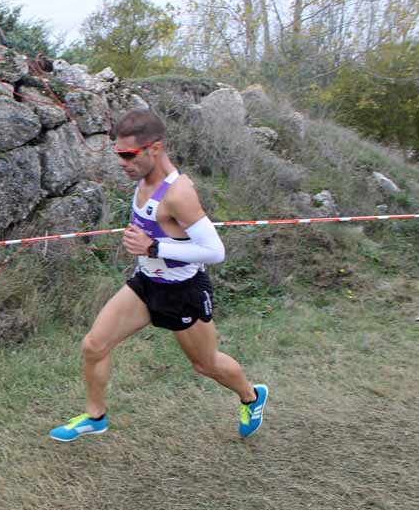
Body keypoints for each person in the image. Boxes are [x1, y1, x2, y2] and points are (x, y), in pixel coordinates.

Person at [49, 108, 268, 442]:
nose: (121, 162)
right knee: (94, 345)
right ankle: (96, 417)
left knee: (205, 364)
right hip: (147, 284)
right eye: (118, 154)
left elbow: (215, 251)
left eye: (128, 154)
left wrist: (153, 248)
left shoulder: (179, 194)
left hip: (183, 291)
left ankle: (251, 396)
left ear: (155, 148)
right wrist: (149, 251)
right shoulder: (141, 179)